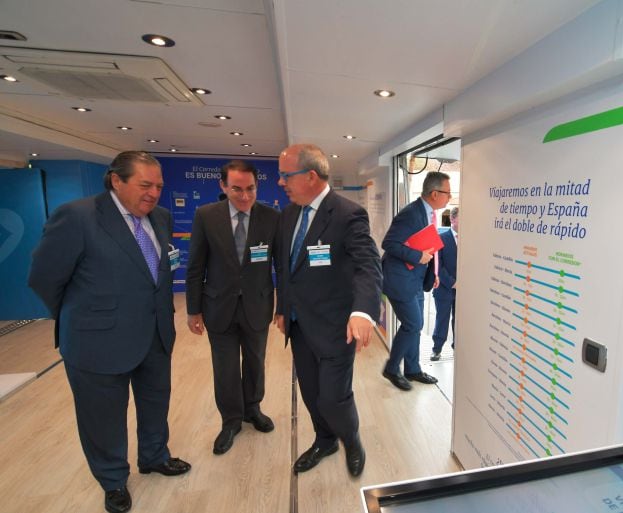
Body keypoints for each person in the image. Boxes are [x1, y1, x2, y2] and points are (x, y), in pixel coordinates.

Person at [28, 151, 190, 513]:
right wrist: (78, 315)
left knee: (155, 403)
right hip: (96, 340)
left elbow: (158, 276)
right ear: (117, 181)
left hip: (154, 334)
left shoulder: (160, 218)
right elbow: (44, 277)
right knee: (102, 416)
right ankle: (113, 479)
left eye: (159, 186)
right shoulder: (78, 217)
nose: (153, 193)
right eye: (144, 184)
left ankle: (154, 456)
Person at [273, 143, 382, 478]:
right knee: (310, 392)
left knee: (333, 398)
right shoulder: (290, 213)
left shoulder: (348, 214)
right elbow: (286, 267)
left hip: (336, 326)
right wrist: (282, 308)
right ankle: (325, 440)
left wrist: (363, 312)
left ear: (309, 176)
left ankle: (351, 440)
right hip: (299, 323)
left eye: (285, 176)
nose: (280, 183)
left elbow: (369, 265)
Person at [185, 160, 279, 455]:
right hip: (218, 306)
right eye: (236, 189)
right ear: (223, 186)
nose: (245, 196)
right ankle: (230, 421)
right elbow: (195, 265)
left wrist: (284, 307)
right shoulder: (206, 216)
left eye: (250, 188)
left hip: (257, 304)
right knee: (224, 367)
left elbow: (282, 268)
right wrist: (193, 309)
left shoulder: (271, 217)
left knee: (255, 362)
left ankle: (253, 409)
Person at [381, 171, 452, 391]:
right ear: (434, 193)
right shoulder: (411, 214)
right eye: (447, 193)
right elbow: (389, 244)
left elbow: (426, 245)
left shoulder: (429, 213)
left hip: (416, 279)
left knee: (414, 326)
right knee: (413, 324)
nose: (449, 197)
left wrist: (435, 273)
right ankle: (392, 368)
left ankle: (412, 369)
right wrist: (417, 257)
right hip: (399, 279)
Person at [431, 207, 458, 361]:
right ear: (453, 219)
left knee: (459, 320)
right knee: (442, 319)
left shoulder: (469, 239)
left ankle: (458, 348)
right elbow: (437, 265)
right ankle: (437, 349)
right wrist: (452, 283)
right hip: (444, 288)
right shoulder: (441, 238)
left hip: (462, 290)